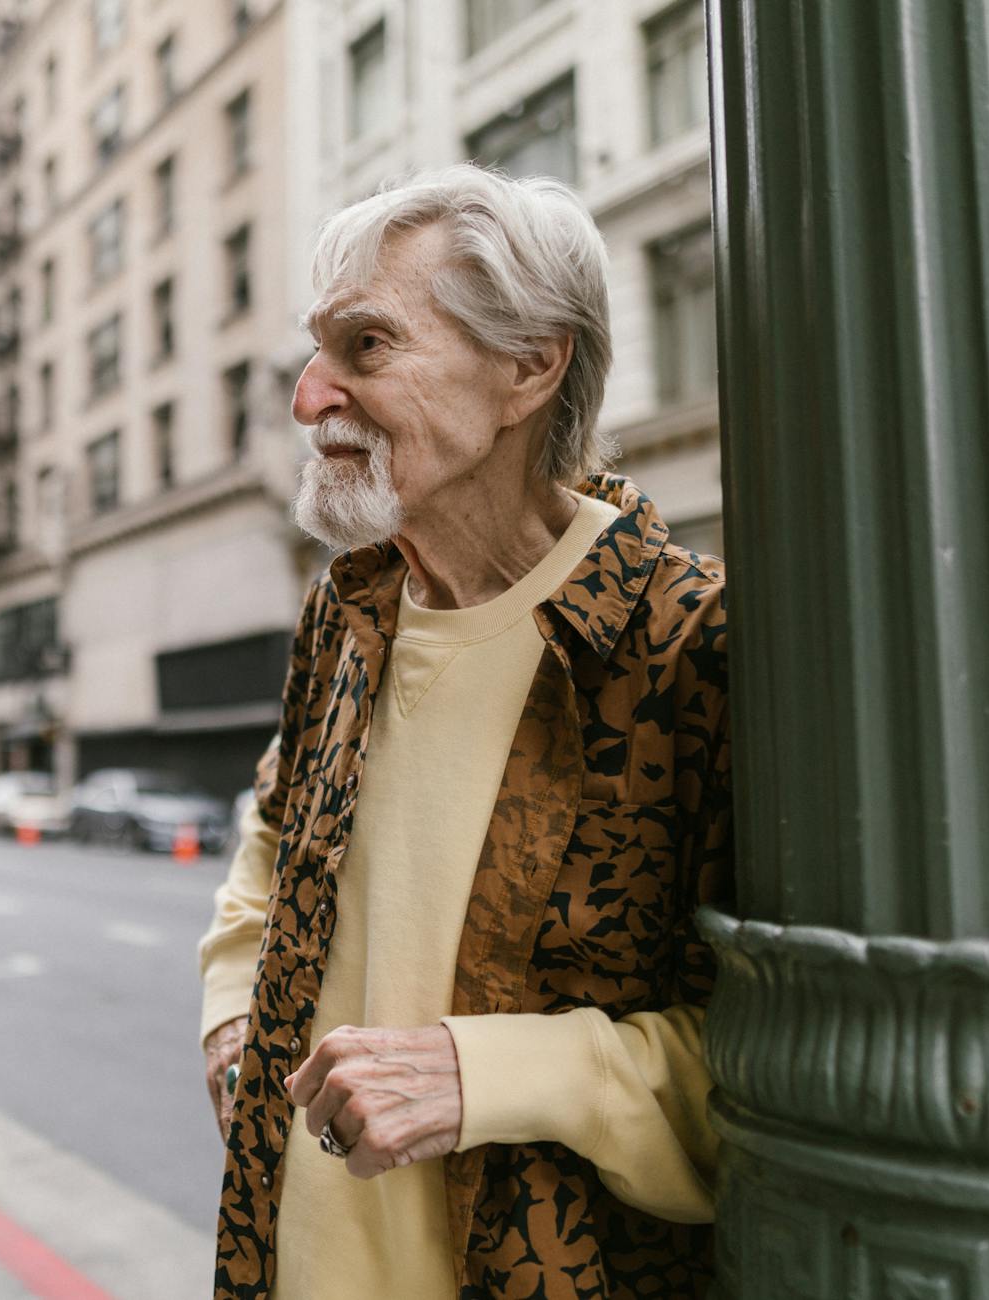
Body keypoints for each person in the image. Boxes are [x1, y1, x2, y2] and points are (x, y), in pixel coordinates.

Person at [198, 165, 731, 1300]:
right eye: (315, 351)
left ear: (529, 367)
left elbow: (797, 1068)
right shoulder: (345, 612)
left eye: (368, 347)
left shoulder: (685, 643)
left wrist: (489, 1071)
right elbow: (271, 839)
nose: (308, 398)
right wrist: (231, 1010)